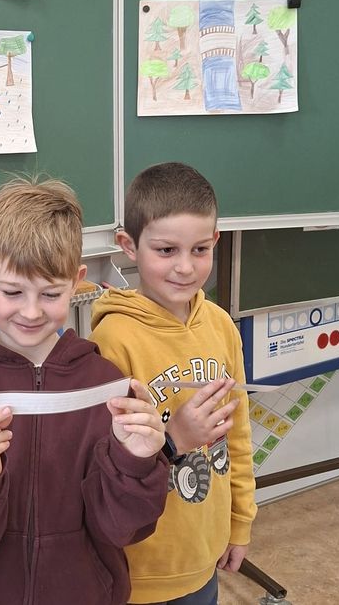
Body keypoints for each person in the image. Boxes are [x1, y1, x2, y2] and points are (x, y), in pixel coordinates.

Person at [0, 178, 169, 605]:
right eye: (12, 292)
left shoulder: (104, 384)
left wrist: (137, 460)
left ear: (77, 282)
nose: (31, 312)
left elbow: (121, 530)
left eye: (50, 294)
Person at [90, 162, 257, 605]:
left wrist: (240, 522)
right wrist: (176, 436)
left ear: (215, 242)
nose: (185, 267)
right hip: (140, 569)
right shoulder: (112, 340)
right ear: (129, 246)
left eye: (200, 249)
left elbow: (237, 437)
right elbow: (104, 465)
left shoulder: (222, 327)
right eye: (166, 251)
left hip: (205, 555)